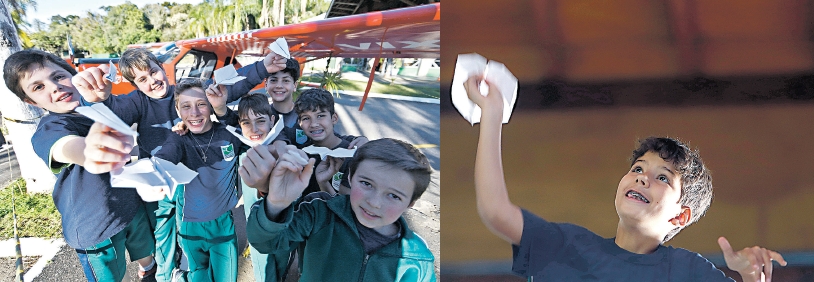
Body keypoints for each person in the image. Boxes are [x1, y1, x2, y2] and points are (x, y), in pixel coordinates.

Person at [464, 74, 787, 281]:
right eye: (637, 169)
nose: (642, 178)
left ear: (682, 214)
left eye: (663, 177)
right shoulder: (566, 244)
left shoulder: (689, 272)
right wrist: (491, 115)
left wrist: (750, 277)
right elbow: (495, 210)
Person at [74, 47, 286, 281]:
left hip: (193, 182)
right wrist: (95, 98)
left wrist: (263, 67)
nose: (153, 81)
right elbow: (111, 109)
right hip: (163, 183)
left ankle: (187, 268)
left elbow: (227, 87)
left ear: (162, 68)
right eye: (142, 79)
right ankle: (166, 275)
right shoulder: (137, 103)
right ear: (135, 85)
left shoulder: (187, 94)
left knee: (195, 238)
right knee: (164, 236)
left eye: (153, 72)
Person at [3, 49, 157, 281]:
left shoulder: (97, 107)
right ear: (29, 101)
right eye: (38, 87)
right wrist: (90, 150)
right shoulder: (50, 127)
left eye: (58, 77)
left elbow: (135, 112)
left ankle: (149, 269)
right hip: (95, 227)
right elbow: (66, 147)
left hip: (132, 207)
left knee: (147, 254)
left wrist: (105, 98)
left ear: (73, 74)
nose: (54, 87)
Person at [245, 138, 436, 281]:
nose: (375, 202)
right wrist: (276, 203)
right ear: (351, 175)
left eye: (394, 196)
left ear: (411, 202)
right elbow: (265, 243)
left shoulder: (417, 259)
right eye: (367, 183)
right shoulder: (319, 213)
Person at [150, 80, 248, 281]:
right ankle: (182, 277)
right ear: (178, 110)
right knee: (199, 275)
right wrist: (156, 170)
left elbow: (247, 130)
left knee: (226, 278)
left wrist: (223, 110)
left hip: (223, 224)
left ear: (211, 105)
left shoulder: (228, 134)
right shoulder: (178, 137)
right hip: (189, 225)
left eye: (201, 104)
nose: (194, 113)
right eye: (186, 106)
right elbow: (167, 153)